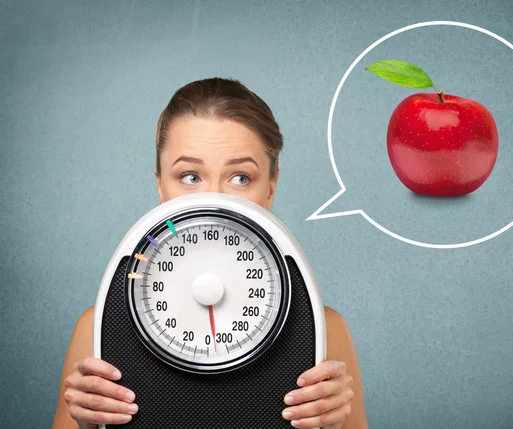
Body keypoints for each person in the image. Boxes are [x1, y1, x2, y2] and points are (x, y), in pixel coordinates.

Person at [52, 78, 368, 429]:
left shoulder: (325, 330)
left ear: (270, 190)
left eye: (241, 178)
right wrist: (88, 426)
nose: (214, 198)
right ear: (160, 184)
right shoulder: (96, 328)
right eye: (190, 176)